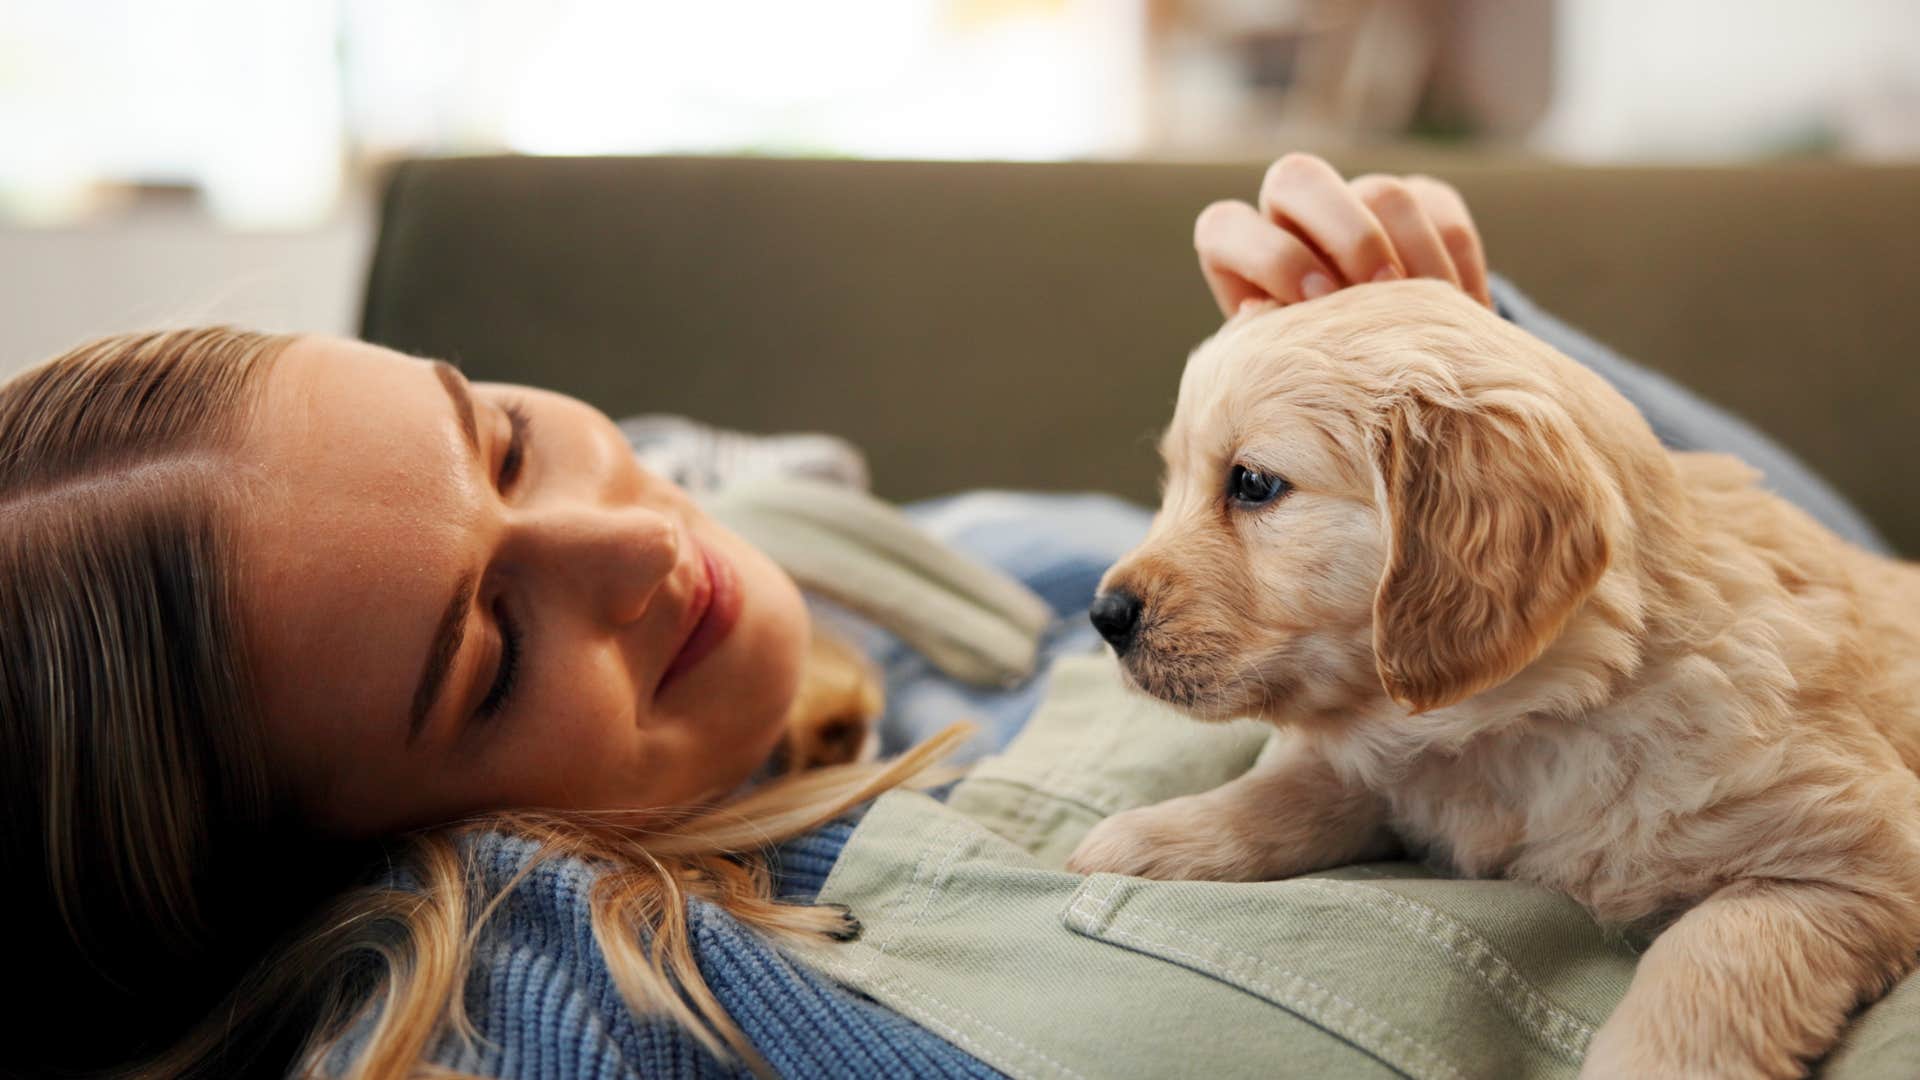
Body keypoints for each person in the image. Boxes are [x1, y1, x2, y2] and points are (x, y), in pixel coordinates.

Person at [1, 155, 1888, 1079]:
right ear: (367, 884)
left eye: (498, 432)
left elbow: (1828, 611)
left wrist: (1489, 351)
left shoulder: (948, 544)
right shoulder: (563, 988)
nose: (630, 537)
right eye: (488, 655)